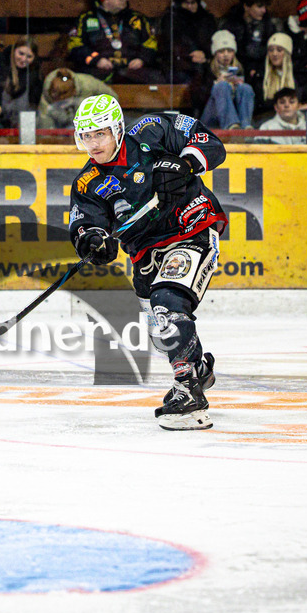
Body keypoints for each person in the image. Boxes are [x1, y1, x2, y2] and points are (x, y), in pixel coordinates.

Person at [68, 94, 227, 430]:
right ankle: (197, 369)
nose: (94, 143)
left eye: (100, 134)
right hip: (144, 254)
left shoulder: (153, 129)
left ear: (117, 129)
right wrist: (92, 240)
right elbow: (86, 223)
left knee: (167, 304)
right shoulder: (87, 182)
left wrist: (185, 164)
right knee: (162, 334)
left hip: (191, 228)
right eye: (86, 136)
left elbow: (209, 143)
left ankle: (189, 394)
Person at [67, 0, 161, 84]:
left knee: (157, 79)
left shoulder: (137, 19)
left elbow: (150, 44)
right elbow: (75, 46)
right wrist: (96, 60)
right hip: (97, 71)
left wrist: (141, 59)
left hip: (132, 73)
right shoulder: (86, 19)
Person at [155, 0, 217, 85]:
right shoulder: (171, 18)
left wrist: (205, 55)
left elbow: (213, 41)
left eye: (192, 3)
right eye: (186, 3)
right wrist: (191, 55)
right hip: (179, 63)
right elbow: (172, 42)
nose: (189, 6)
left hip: (204, 61)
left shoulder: (207, 19)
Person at [196, 29, 255, 130]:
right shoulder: (206, 69)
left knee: (245, 88)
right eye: (221, 51)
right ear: (215, 53)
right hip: (210, 116)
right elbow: (198, 100)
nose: (226, 54)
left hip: (237, 114)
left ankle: (246, 127)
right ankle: (231, 126)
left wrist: (238, 87)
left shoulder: (241, 69)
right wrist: (216, 84)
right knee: (221, 86)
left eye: (229, 51)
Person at [218, 0, 278, 81]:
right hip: (235, 68)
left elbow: (270, 53)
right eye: (259, 6)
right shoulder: (231, 25)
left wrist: (258, 70)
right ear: (246, 6)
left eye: (265, 6)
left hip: (260, 70)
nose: (264, 10)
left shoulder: (268, 25)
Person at [36, 67, 117, 130]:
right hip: (62, 128)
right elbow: (45, 129)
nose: (62, 106)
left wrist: (93, 111)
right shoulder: (46, 99)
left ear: (74, 92)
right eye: (58, 103)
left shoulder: (88, 84)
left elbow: (113, 99)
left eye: (65, 102)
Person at [250, 32, 304, 116]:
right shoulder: (260, 76)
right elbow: (259, 104)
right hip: (267, 118)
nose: (274, 54)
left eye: (279, 50)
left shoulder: (299, 75)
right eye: (271, 50)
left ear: (287, 53)